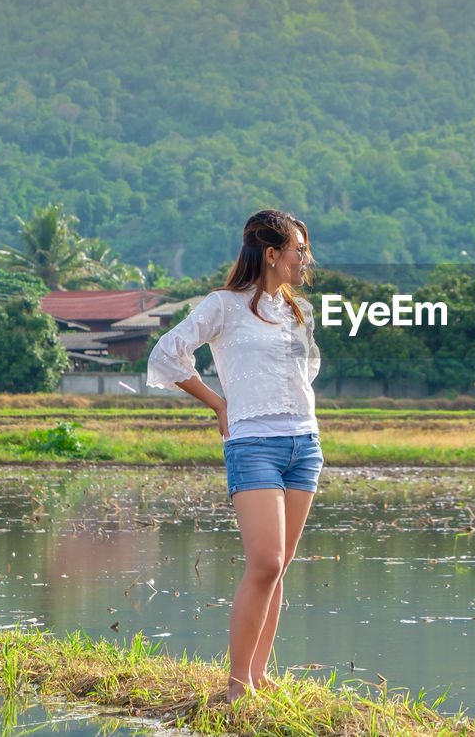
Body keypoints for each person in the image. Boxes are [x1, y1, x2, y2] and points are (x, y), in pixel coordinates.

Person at [146, 208, 322, 703]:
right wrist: (220, 402)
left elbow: (301, 376)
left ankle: (259, 675)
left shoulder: (298, 311)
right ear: (271, 254)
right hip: (252, 445)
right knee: (264, 562)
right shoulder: (222, 306)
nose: (306, 260)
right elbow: (166, 354)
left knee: (280, 565)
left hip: (304, 445)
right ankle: (236, 685)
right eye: (299, 250)